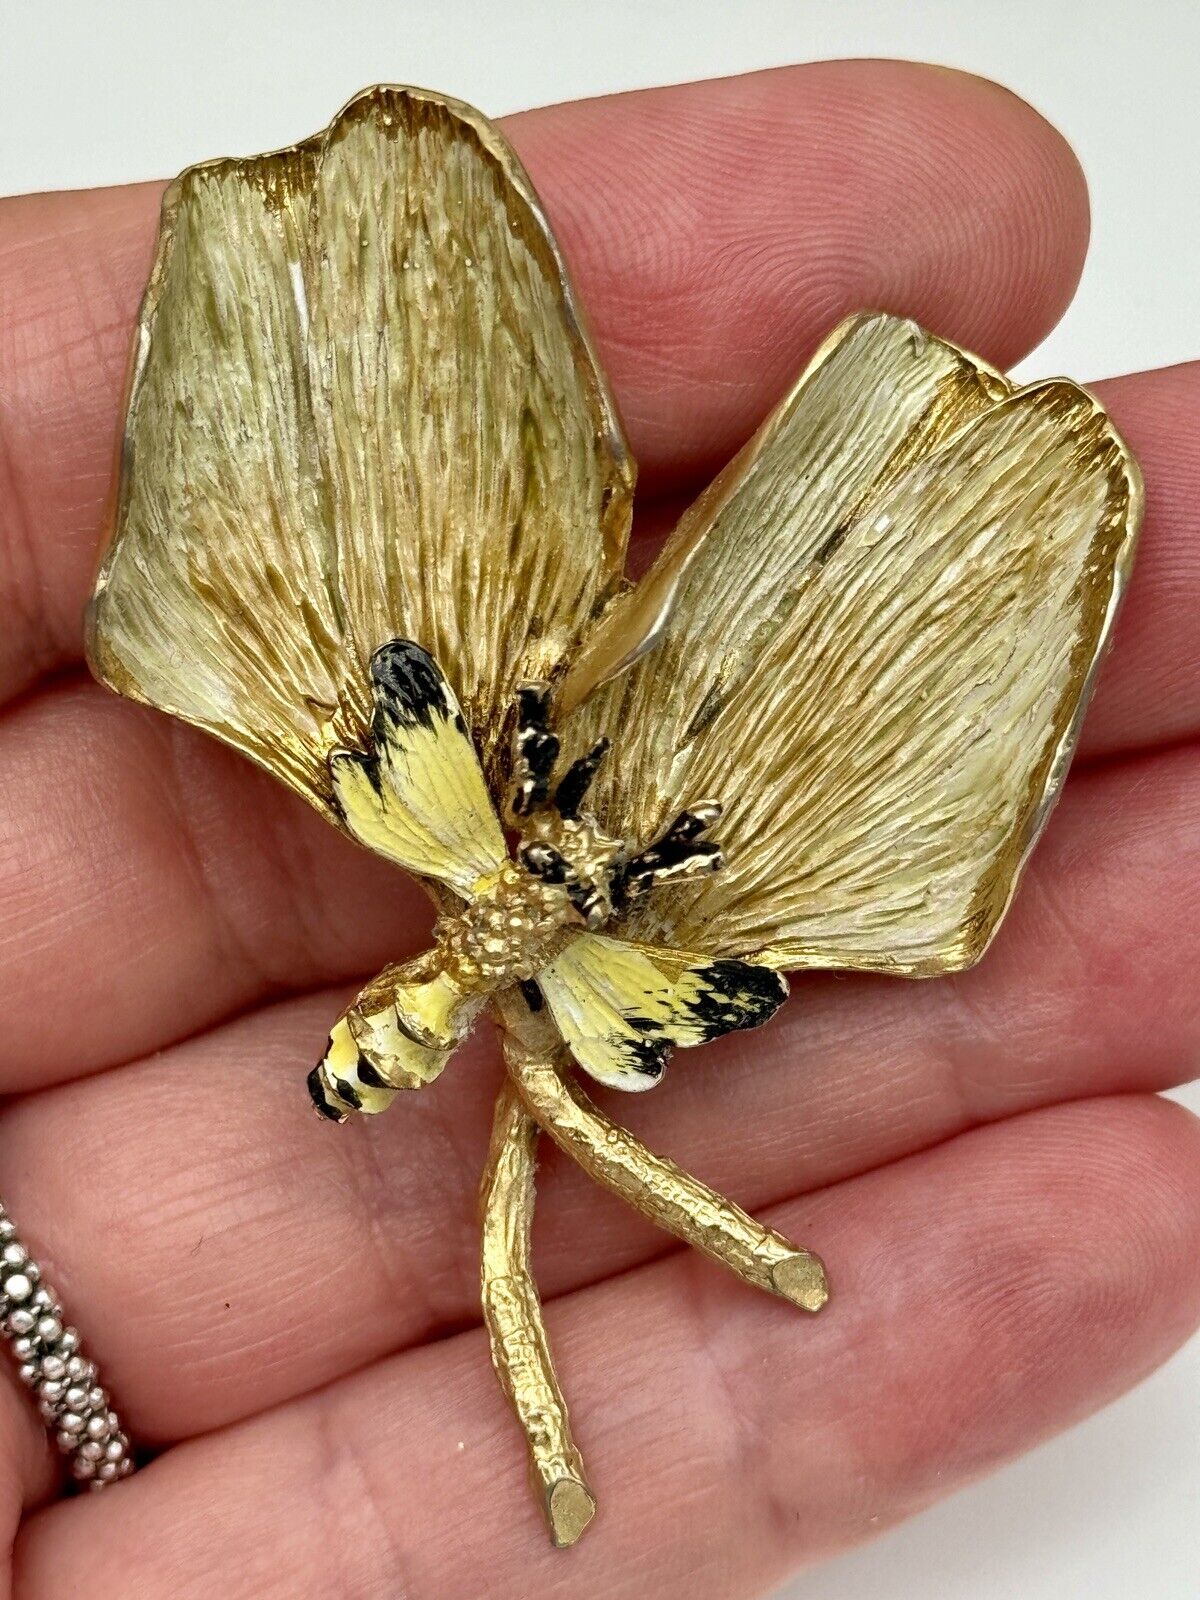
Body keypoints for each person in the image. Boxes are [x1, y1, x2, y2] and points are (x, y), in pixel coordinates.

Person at [0, 59, 1197, 1599]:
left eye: (385, 1051)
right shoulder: (552, 977)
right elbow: (556, 1162)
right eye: (390, 1058)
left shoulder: (464, 860)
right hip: (636, 832)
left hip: (562, 802)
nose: (397, 1048)